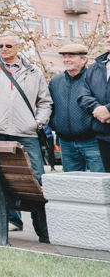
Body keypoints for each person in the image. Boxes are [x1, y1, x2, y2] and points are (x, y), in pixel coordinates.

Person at [0, 33, 51, 240]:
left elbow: (45, 101)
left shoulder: (33, 71)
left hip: (27, 133)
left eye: (8, 45)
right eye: (0, 46)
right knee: (3, 177)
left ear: (18, 47)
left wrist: (39, 121)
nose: (4, 49)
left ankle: (42, 225)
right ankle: (13, 221)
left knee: (37, 178)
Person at [50, 43, 104, 172]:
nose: (66, 59)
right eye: (64, 56)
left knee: (101, 182)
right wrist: (55, 125)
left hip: (92, 140)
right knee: (72, 185)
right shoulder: (55, 81)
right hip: (66, 142)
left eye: (71, 56)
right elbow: (50, 107)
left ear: (83, 60)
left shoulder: (94, 79)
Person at [77, 29, 110, 171]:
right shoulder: (95, 67)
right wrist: (97, 109)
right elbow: (83, 95)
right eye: (106, 36)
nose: (108, 39)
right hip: (104, 134)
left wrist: (108, 110)